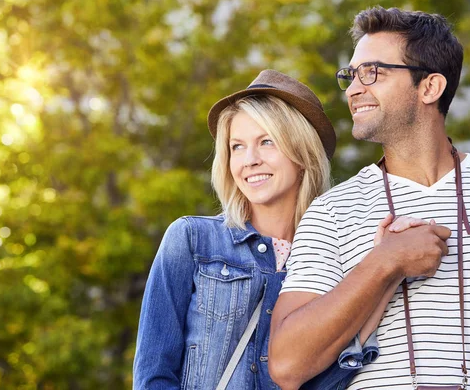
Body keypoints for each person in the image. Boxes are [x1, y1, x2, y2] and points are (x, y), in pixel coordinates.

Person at [269, 7, 470, 390]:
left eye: (372, 72)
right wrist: (385, 262)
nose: (352, 89)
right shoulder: (332, 211)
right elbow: (286, 364)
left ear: (430, 87)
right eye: (350, 75)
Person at [133, 70, 365, 389]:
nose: (249, 160)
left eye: (266, 142)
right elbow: (153, 375)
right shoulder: (191, 240)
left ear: (302, 154)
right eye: (237, 147)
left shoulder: (336, 262)